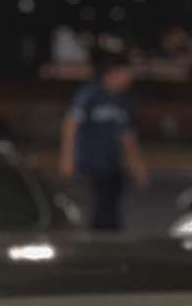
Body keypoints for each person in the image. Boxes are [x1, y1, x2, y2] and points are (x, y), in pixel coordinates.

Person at [58, 50, 149, 231]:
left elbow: (128, 138)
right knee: (97, 210)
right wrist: (67, 159)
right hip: (90, 166)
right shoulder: (90, 94)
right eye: (125, 72)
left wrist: (137, 167)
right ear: (111, 73)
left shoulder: (124, 101)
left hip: (112, 166)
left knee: (111, 209)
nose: (129, 78)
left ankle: (110, 237)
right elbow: (70, 124)